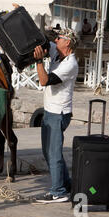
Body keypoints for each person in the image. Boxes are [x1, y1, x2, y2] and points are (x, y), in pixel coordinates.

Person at [33, 28, 79, 203]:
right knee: (49, 152)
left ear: (67, 42)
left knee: (54, 153)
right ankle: (66, 184)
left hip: (59, 113)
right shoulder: (57, 53)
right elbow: (43, 41)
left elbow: (45, 81)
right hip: (50, 111)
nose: (56, 39)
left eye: (59, 38)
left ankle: (58, 192)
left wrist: (38, 62)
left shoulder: (70, 64)